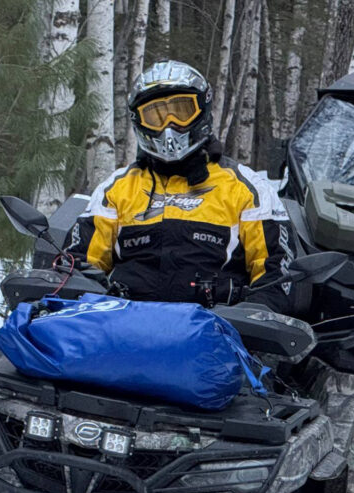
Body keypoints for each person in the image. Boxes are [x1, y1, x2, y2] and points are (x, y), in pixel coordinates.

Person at [65, 60, 294, 312]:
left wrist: (253, 318)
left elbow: (275, 273)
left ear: (202, 110)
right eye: (156, 116)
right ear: (139, 122)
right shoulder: (116, 189)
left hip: (215, 332)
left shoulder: (247, 189)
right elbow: (79, 264)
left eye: (182, 111)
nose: (169, 126)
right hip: (126, 331)